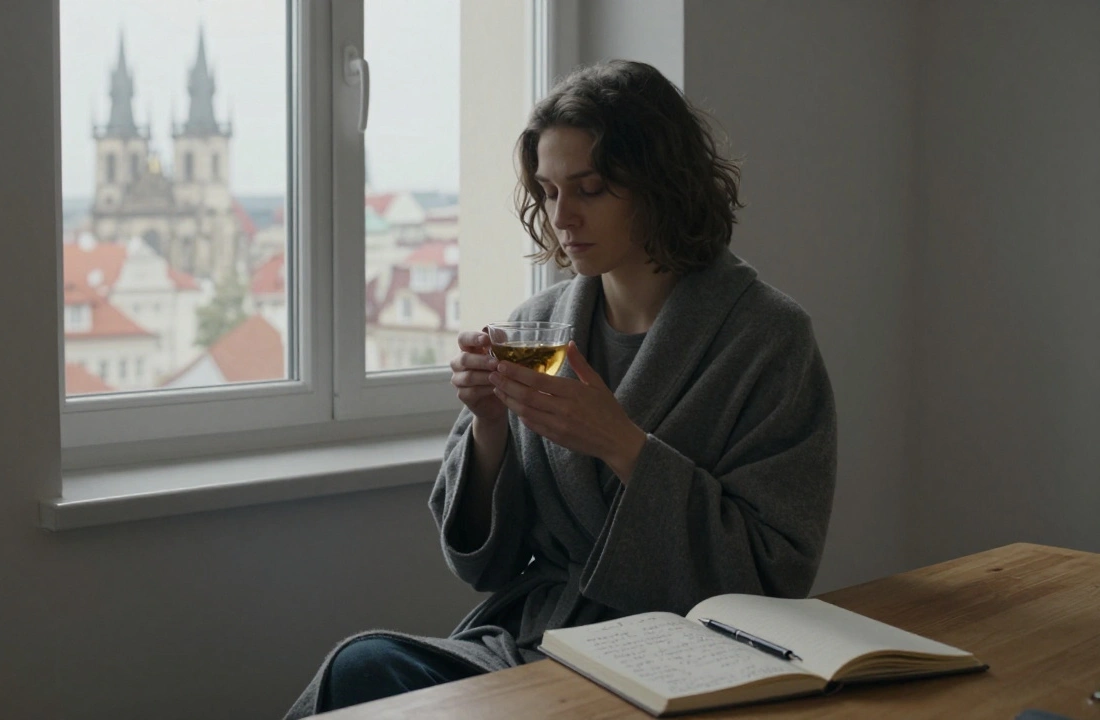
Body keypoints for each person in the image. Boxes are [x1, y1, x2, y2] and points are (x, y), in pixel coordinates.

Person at [282, 59, 837, 718]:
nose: (562, 216)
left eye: (591, 187)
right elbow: (485, 568)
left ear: (662, 184)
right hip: (537, 640)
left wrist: (626, 446)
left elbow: (777, 571)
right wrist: (489, 426)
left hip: (685, 656)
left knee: (370, 675)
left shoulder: (767, 340)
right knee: (363, 669)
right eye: (547, 191)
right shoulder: (536, 327)